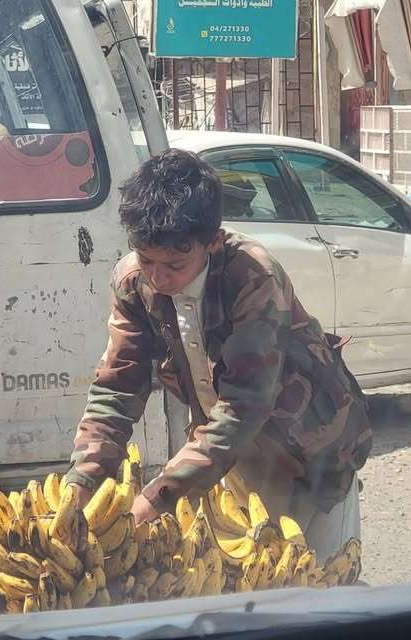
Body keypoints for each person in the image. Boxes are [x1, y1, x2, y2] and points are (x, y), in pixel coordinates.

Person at [65, 148, 372, 561]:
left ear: (212, 241)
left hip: (311, 455)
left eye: (175, 264)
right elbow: (116, 389)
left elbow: (246, 404)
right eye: (146, 259)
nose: (158, 277)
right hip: (220, 457)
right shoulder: (134, 282)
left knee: (318, 582)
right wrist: (84, 477)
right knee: (234, 583)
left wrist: (157, 497)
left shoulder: (252, 276)